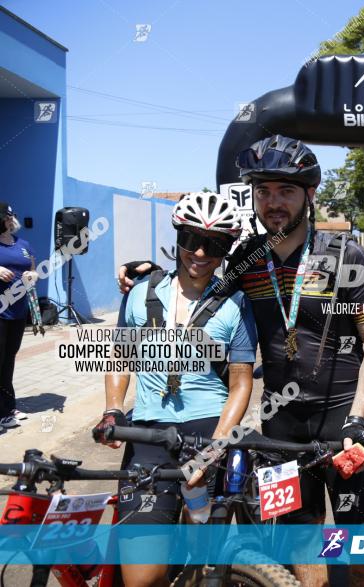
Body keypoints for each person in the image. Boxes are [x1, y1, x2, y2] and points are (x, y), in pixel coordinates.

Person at [119, 136, 364, 587]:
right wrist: (150, 275)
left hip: (343, 420)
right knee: (302, 553)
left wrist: (359, 418)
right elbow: (195, 282)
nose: (273, 202)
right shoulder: (246, 260)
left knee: (358, 552)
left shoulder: (346, 256)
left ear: (309, 194)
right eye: (263, 192)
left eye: (285, 191)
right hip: (280, 428)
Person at [96, 192, 257, 587]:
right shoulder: (138, 293)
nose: (200, 252)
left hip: (208, 432)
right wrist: (113, 409)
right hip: (148, 434)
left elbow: (241, 381)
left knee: (202, 565)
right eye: (191, 240)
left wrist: (217, 447)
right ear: (178, 238)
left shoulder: (235, 303)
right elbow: (120, 358)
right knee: (142, 576)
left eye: (215, 244)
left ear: (226, 249)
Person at [0, 202, 36, 428]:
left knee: (8, 360)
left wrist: (32, 276)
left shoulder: (23, 244)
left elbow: (32, 268)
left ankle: (7, 406)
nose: (7, 220)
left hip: (18, 311)